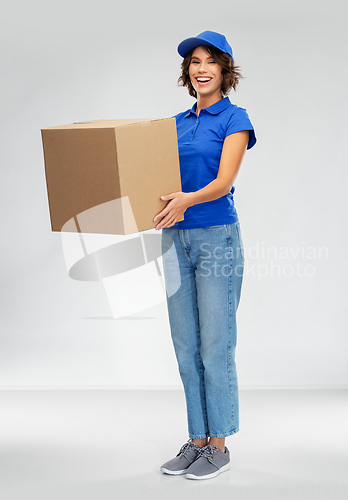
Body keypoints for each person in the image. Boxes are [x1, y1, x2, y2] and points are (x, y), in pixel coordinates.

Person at [153, 31, 257, 480]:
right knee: (186, 345)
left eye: (209, 61)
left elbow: (223, 181)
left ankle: (220, 444)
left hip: (216, 237)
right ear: (187, 72)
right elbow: (154, 179)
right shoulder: (173, 123)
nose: (200, 68)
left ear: (224, 69)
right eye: (194, 62)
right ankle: (197, 439)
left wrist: (184, 201)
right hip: (174, 238)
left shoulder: (234, 118)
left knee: (216, 344)